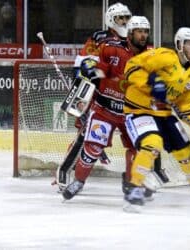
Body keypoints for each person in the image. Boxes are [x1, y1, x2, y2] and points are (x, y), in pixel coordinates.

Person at [122, 27, 190, 212]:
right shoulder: (164, 56)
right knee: (152, 144)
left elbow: (189, 106)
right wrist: (150, 83)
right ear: (179, 44)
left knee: (183, 147)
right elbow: (131, 67)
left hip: (163, 114)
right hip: (139, 109)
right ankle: (134, 189)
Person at [61, 16, 151, 200]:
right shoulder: (111, 48)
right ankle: (78, 181)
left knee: (139, 149)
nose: (143, 36)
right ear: (131, 33)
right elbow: (101, 71)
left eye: (146, 32)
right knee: (92, 147)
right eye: (140, 31)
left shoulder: (152, 56)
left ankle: (131, 183)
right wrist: (90, 69)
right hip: (105, 109)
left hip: (132, 112)